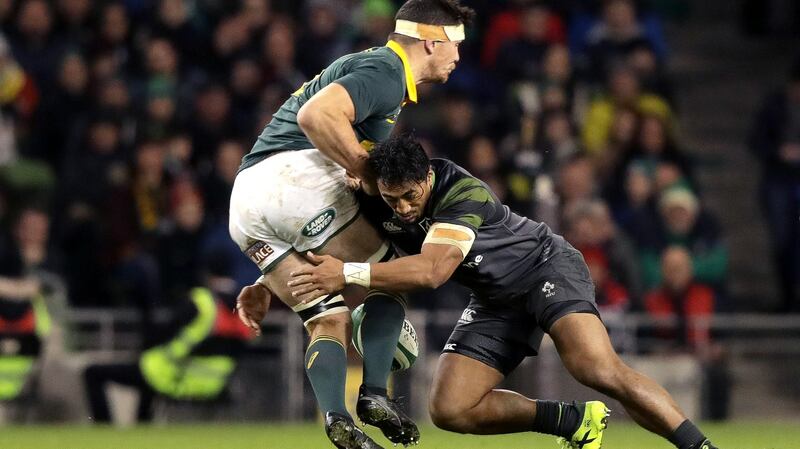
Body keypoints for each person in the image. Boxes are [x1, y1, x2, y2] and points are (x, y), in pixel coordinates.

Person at [286, 134, 720, 449]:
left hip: (544, 268)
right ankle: (571, 421)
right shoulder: (376, 191)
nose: (402, 208)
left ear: (429, 175)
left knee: (596, 369)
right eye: (391, 198)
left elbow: (433, 271)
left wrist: (347, 274)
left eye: (409, 196)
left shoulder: (462, 193)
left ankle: (700, 448)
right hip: (495, 297)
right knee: (450, 409)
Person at [229, 1, 475, 448]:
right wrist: (365, 169)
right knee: (393, 273)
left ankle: (336, 419)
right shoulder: (385, 70)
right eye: (455, 44)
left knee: (327, 318)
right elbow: (315, 116)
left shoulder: (376, 75)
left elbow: (290, 207)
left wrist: (266, 281)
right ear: (430, 41)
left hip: (247, 207)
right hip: (296, 176)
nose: (458, 57)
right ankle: (376, 394)